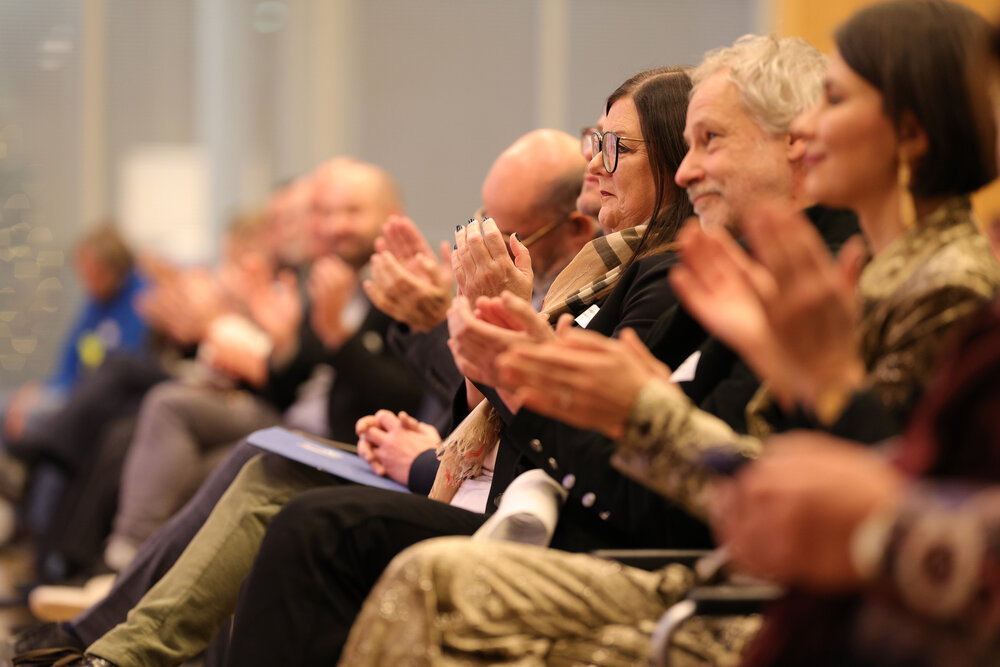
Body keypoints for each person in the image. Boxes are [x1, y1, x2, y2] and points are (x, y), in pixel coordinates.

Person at [338, 6, 1000, 661]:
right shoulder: (838, 273)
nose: (808, 131)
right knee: (361, 539)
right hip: (718, 575)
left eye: (834, 101)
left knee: (415, 576)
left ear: (909, 133)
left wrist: (630, 406)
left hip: (761, 604)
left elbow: (851, 503)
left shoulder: (936, 286)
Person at [8, 129, 597, 667]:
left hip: (453, 482)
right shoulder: (342, 279)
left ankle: (107, 614)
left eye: (349, 211)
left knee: (238, 459)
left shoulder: (540, 291)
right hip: (414, 455)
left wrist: (402, 341)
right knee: (187, 429)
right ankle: (104, 620)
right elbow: (459, 403)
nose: (331, 225)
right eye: (323, 212)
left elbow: (411, 397)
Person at [217, 66, 704, 667]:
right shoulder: (604, 274)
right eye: (594, 142)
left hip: (551, 523)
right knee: (262, 477)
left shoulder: (661, 275)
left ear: (677, 162)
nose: (595, 166)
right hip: (489, 484)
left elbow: (574, 433)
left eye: (617, 148)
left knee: (308, 520)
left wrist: (468, 327)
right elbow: (485, 405)